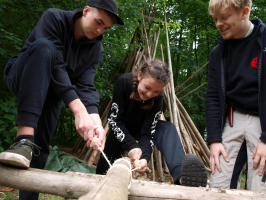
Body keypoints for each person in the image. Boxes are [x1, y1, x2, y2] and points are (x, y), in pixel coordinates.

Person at [0, 0, 124, 199]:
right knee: (44, 47)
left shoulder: (95, 49)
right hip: (23, 75)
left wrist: (94, 120)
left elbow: (86, 85)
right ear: (85, 11)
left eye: (106, 28)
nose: (100, 30)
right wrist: (78, 109)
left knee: (39, 152)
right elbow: (56, 63)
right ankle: (23, 139)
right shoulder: (54, 18)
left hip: (52, 92)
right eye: (98, 22)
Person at [96, 59, 207, 187]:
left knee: (168, 128)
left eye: (156, 92)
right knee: (109, 153)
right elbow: (114, 120)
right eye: (147, 87)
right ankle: (101, 178)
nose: (149, 94)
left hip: (144, 128)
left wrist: (144, 158)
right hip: (123, 126)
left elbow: (148, 132)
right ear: (139, 75)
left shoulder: (158, 98)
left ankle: (182, 176)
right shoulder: (123, 83)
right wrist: (132, 145)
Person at [206, 0, 266, 190]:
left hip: (263, 123)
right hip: (232, 119)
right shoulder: (218, 53)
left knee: (260, 185)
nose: (218, 24)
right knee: (219, 182)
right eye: (215, 19)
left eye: (224, 17)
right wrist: (214, 140)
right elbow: (213, 97)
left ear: (244, 12)